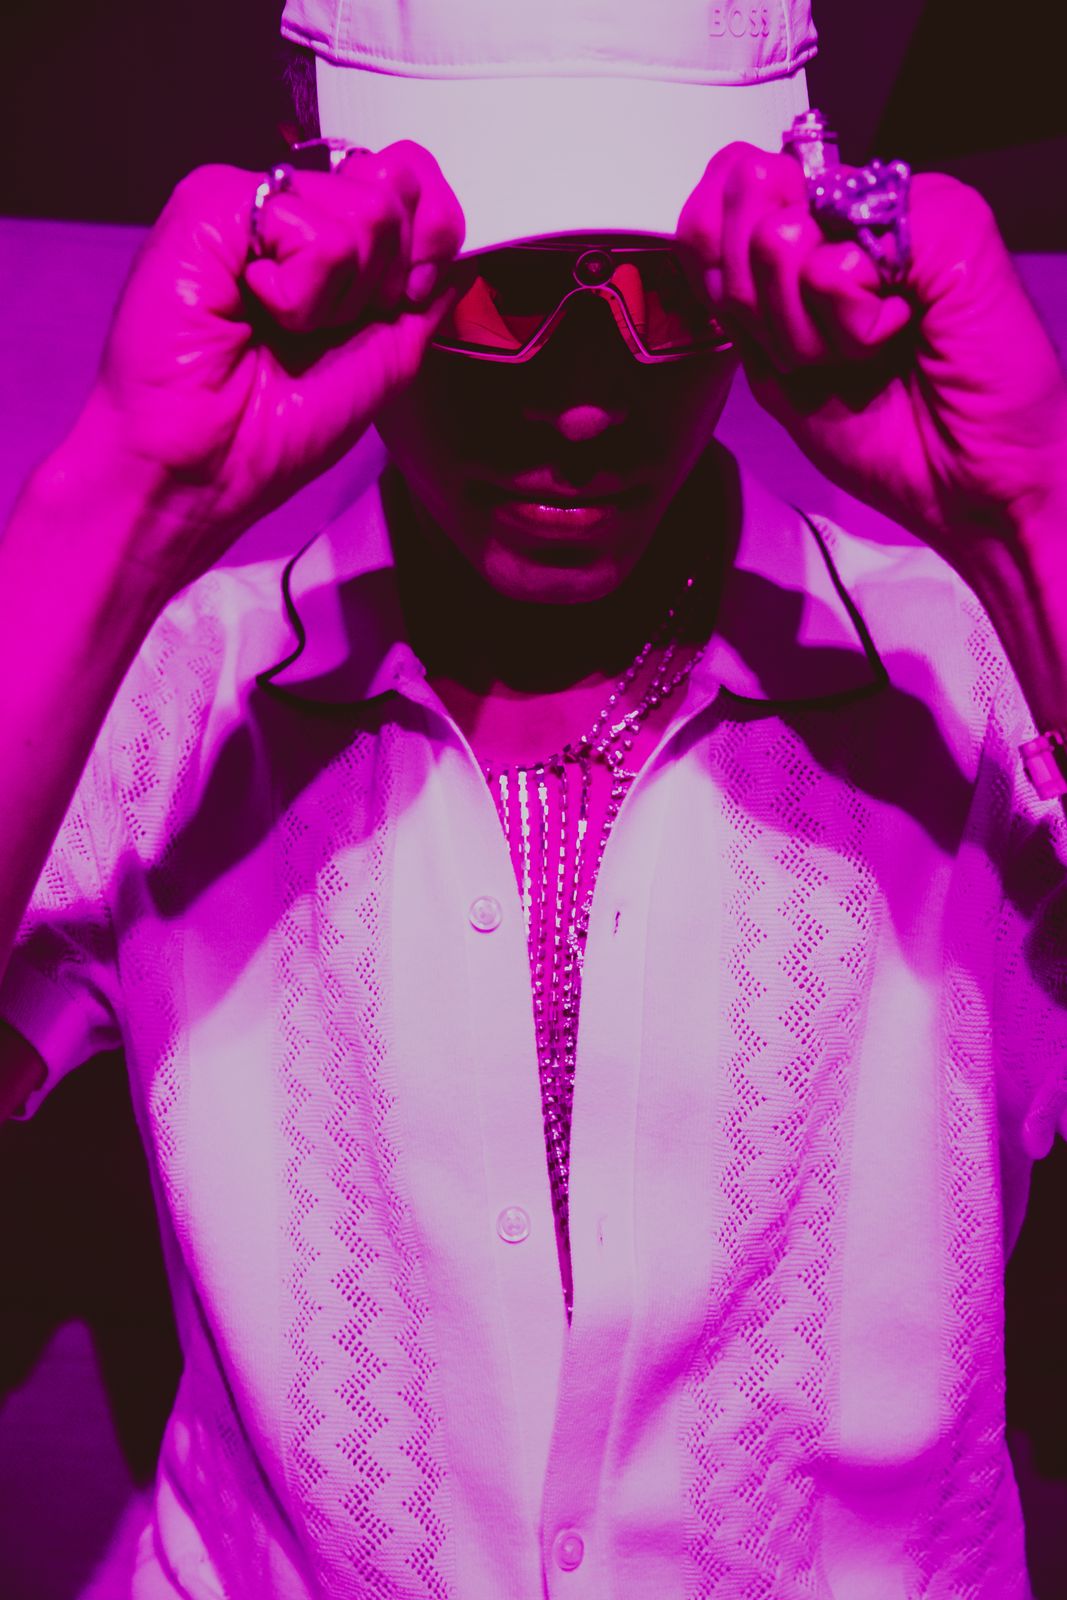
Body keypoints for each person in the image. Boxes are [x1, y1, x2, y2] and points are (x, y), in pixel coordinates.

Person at [1, 0, 1065, 1595]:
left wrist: (1031, 510)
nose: (581, 401)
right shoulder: (168, 696)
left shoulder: (976, 683)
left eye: (665, 291)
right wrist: (127, 497)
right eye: (495, 284)